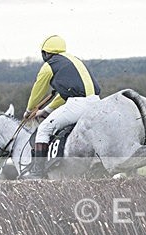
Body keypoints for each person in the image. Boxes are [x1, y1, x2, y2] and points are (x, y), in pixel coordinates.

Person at [24, 35, 101, 179]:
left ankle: (37, 172)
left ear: (45, 53)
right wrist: (46, 110)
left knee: (44, 129)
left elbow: (38, 91)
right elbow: (63, 95)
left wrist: (29, 110)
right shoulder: (75, 60)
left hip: (78, 104)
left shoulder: (49, 66)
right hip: (97, 102)